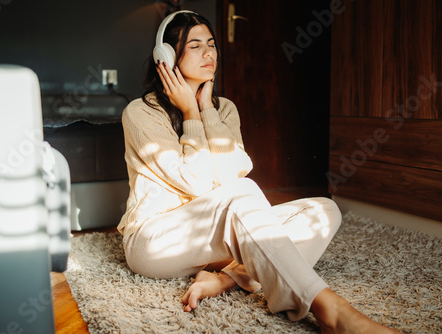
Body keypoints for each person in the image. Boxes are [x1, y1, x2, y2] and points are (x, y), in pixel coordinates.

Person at [117, 11, 399, 333]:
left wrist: (207, 109)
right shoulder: (141, 113)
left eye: (211, 44)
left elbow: (230, 175)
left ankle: (226, 279)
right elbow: (195, 182)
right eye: (195, 46)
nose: (209, 53)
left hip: (214, 241)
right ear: (166, 58)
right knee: (244, 192)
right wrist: (190, 112)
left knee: (324, 210)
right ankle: (332, 310)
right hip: (155, 241)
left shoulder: (224, 109)